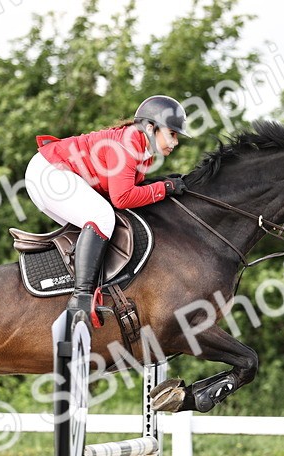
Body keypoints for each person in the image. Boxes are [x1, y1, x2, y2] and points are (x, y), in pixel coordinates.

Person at [25, 95, 190, 319]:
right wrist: (164, 188)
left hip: (49, 173)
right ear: (151, 128)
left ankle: (82, 290)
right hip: (48, 173)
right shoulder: (128, 145)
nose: (175, 142)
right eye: (172, 134)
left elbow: (129, 191)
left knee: (101, 229)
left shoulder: (140, 150)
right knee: (102, 217)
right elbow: (122, 198)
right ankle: (81, 298)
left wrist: (162, 184)